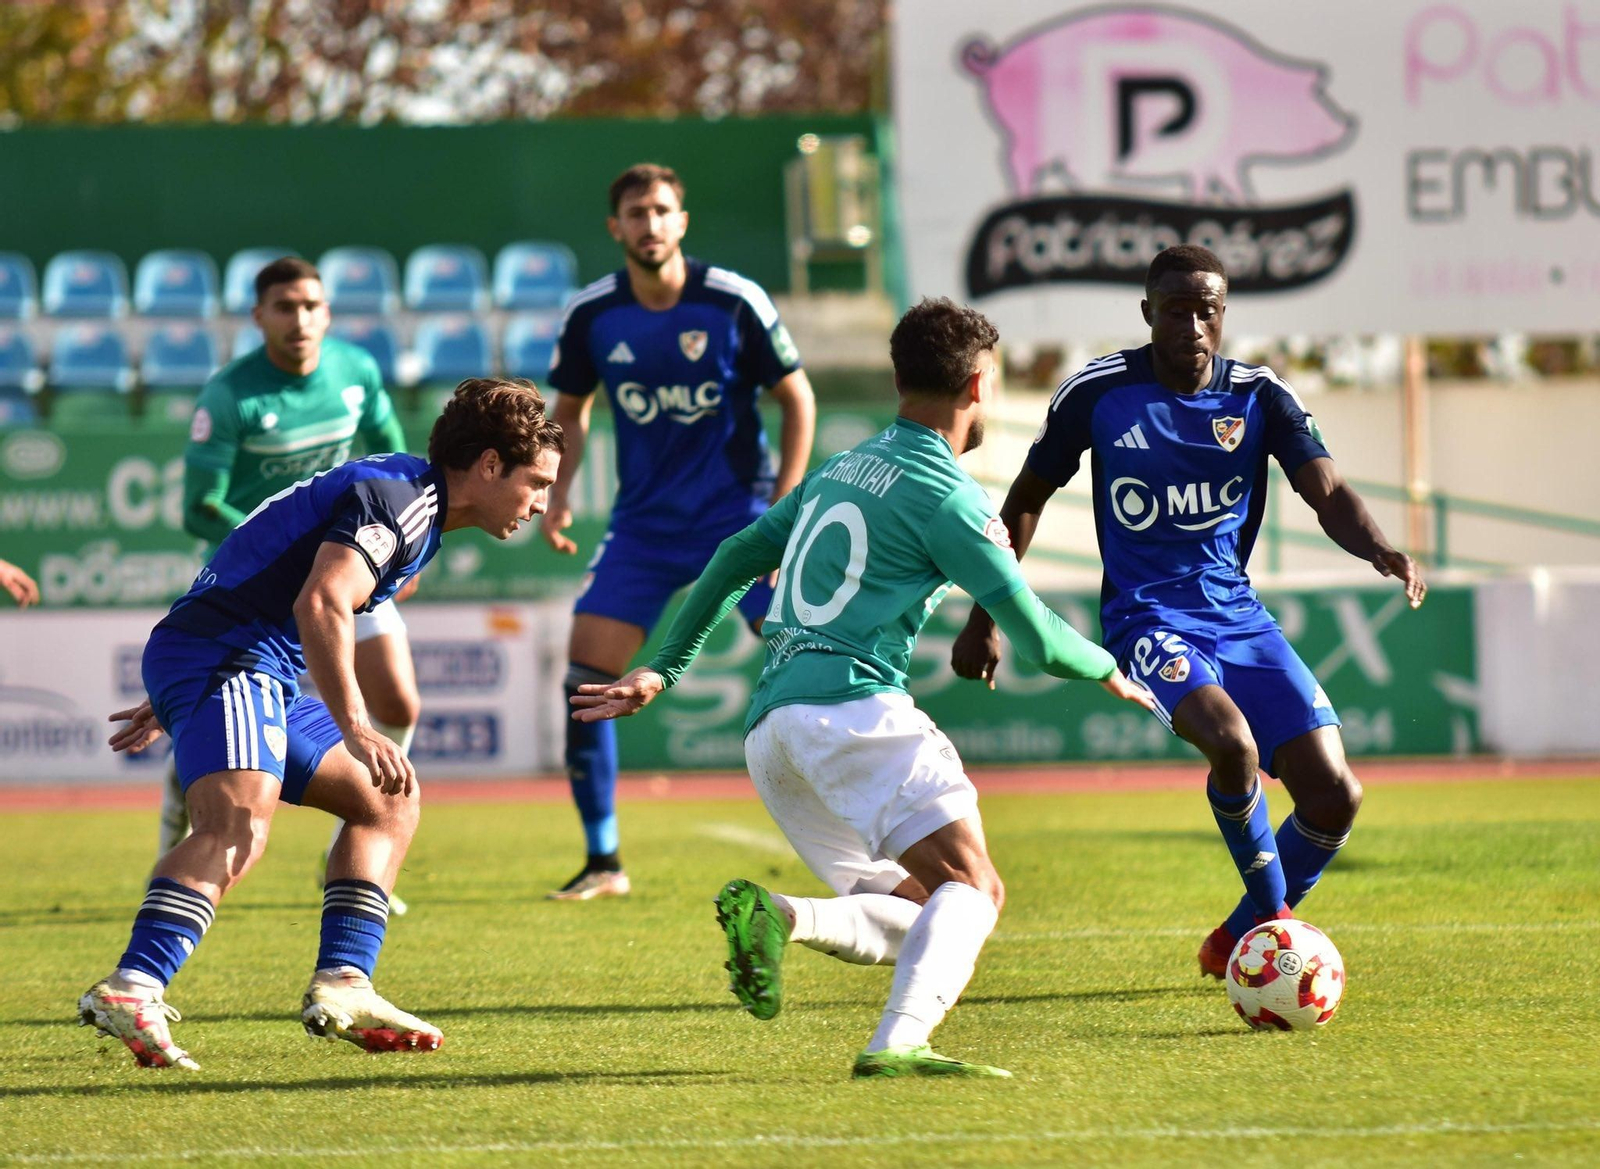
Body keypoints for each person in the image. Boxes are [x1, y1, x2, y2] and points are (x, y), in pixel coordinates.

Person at [571, 299, 1153, 1078]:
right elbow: (1043, 641)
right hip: (850, 712)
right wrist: (1111, 667)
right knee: (974, 886)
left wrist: (664, 666)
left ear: (898, 376)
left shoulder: (841, 468)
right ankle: (899, 1042)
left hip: (772, 734)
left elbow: (733, 555)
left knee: (922, 907)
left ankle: (784, 916)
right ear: (981, 384)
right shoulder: (948, 495)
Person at [950, 244, 1427, 979]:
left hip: (1239, 617)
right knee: (1230, 746)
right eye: (1177, 309)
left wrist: (1381, 549)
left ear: (1223, 315)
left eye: (1208, 310)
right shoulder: (1098, 392)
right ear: (1149, 313)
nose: (1194, 325)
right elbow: (1025, 500)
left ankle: (1236, 933)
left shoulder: (1261, 396)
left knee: (1336, 796)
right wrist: (987, 614)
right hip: (1146, 617)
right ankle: (1274, 928)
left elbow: (1326, 492)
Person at [80, 379, 564, 1070]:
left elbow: (268, 570)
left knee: (388, 799)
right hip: (228, 656)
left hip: (236, 661)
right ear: (489, 465)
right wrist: (356, 723)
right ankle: (133, 984)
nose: (542, 501)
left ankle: (345, 982)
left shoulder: (408, 498)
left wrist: (179, 687)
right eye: (536, 481)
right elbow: (323, 601)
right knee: (236, 826)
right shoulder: (401, 499)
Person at [541, 162, 816, 900]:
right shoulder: (593, 314)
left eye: (663, 210)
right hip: (644, 527)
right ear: (616, 228)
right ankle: (603, 861)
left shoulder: (731, 299)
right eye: (636, 213)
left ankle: (859, 829)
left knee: (808, 656)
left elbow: (797, 398)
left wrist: (783, 513)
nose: (651, 224)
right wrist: (558, 491)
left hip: (740, 516)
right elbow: (570, 409)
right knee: (585, 681)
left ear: (681, 222)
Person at [158, 256, 421, 916]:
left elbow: (400, 462)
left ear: (327, 312)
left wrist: (403, 551)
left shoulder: (356, 372)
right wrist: (279, 538)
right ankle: (178, 808)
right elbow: (199, 504)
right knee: (225, 723)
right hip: (261, 580)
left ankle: (357, 846)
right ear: (258, 317)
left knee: (401, 700)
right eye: (284, 307)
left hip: (349, 561)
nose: (299, 318)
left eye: (311, 305)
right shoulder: (231, 395)